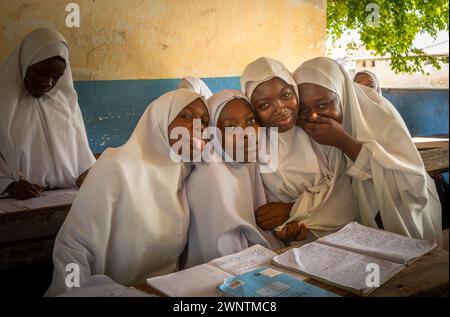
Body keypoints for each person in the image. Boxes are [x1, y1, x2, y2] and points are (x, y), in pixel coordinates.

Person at [45, 89, 210, 296]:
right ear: (160, 119)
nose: (198, 128)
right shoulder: (117, 166)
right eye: (186, 116)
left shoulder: (184, 172)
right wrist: (73, 290)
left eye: (204, 122)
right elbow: (74, 247)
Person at [293, 57, 442, 245]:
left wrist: (344, 142)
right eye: (304, 110)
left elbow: (411, 181)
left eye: (324, 105)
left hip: (399, 225)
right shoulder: (303, 133)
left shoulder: (381, 115)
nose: (314, 116)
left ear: (342, 95)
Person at [240, 57, 358, 240]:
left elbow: (342, 190)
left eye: (286, 96)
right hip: (290, 241)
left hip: (341, 234)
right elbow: (263, 208)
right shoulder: (254, 147)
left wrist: (292, 210)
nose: (279, 108)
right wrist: (285, 227)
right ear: (253, 109)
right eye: (264, 105)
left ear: (295, 91)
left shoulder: (316, 131)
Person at [184, 90, 285, 268]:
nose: (247, 133)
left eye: (251, 121)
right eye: (231, 126)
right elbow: (227, 260)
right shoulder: (212, 175)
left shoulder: (247, 162)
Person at [0, 28, 95, 200]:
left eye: (56, 76)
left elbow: (80, 150)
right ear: (24, 63)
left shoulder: (66, 103)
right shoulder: (4, 103)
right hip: (17, 204)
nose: (47, 83)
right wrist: (8, 186)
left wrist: (86, 173)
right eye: (40, 72)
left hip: (68, 198)